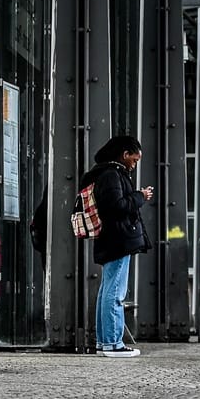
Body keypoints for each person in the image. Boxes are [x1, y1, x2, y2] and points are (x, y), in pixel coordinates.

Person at [83, 135, 151, 357]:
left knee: (107, 290)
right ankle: (113, 343)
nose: (135, 163)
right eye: (135, 158)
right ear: (125, 154)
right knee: (115, 292)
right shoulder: (112, 175)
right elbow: (116, 207)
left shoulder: (104, 173)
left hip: (110, 239)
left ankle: (105, 343)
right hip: (118, 239)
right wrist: (139, 196)